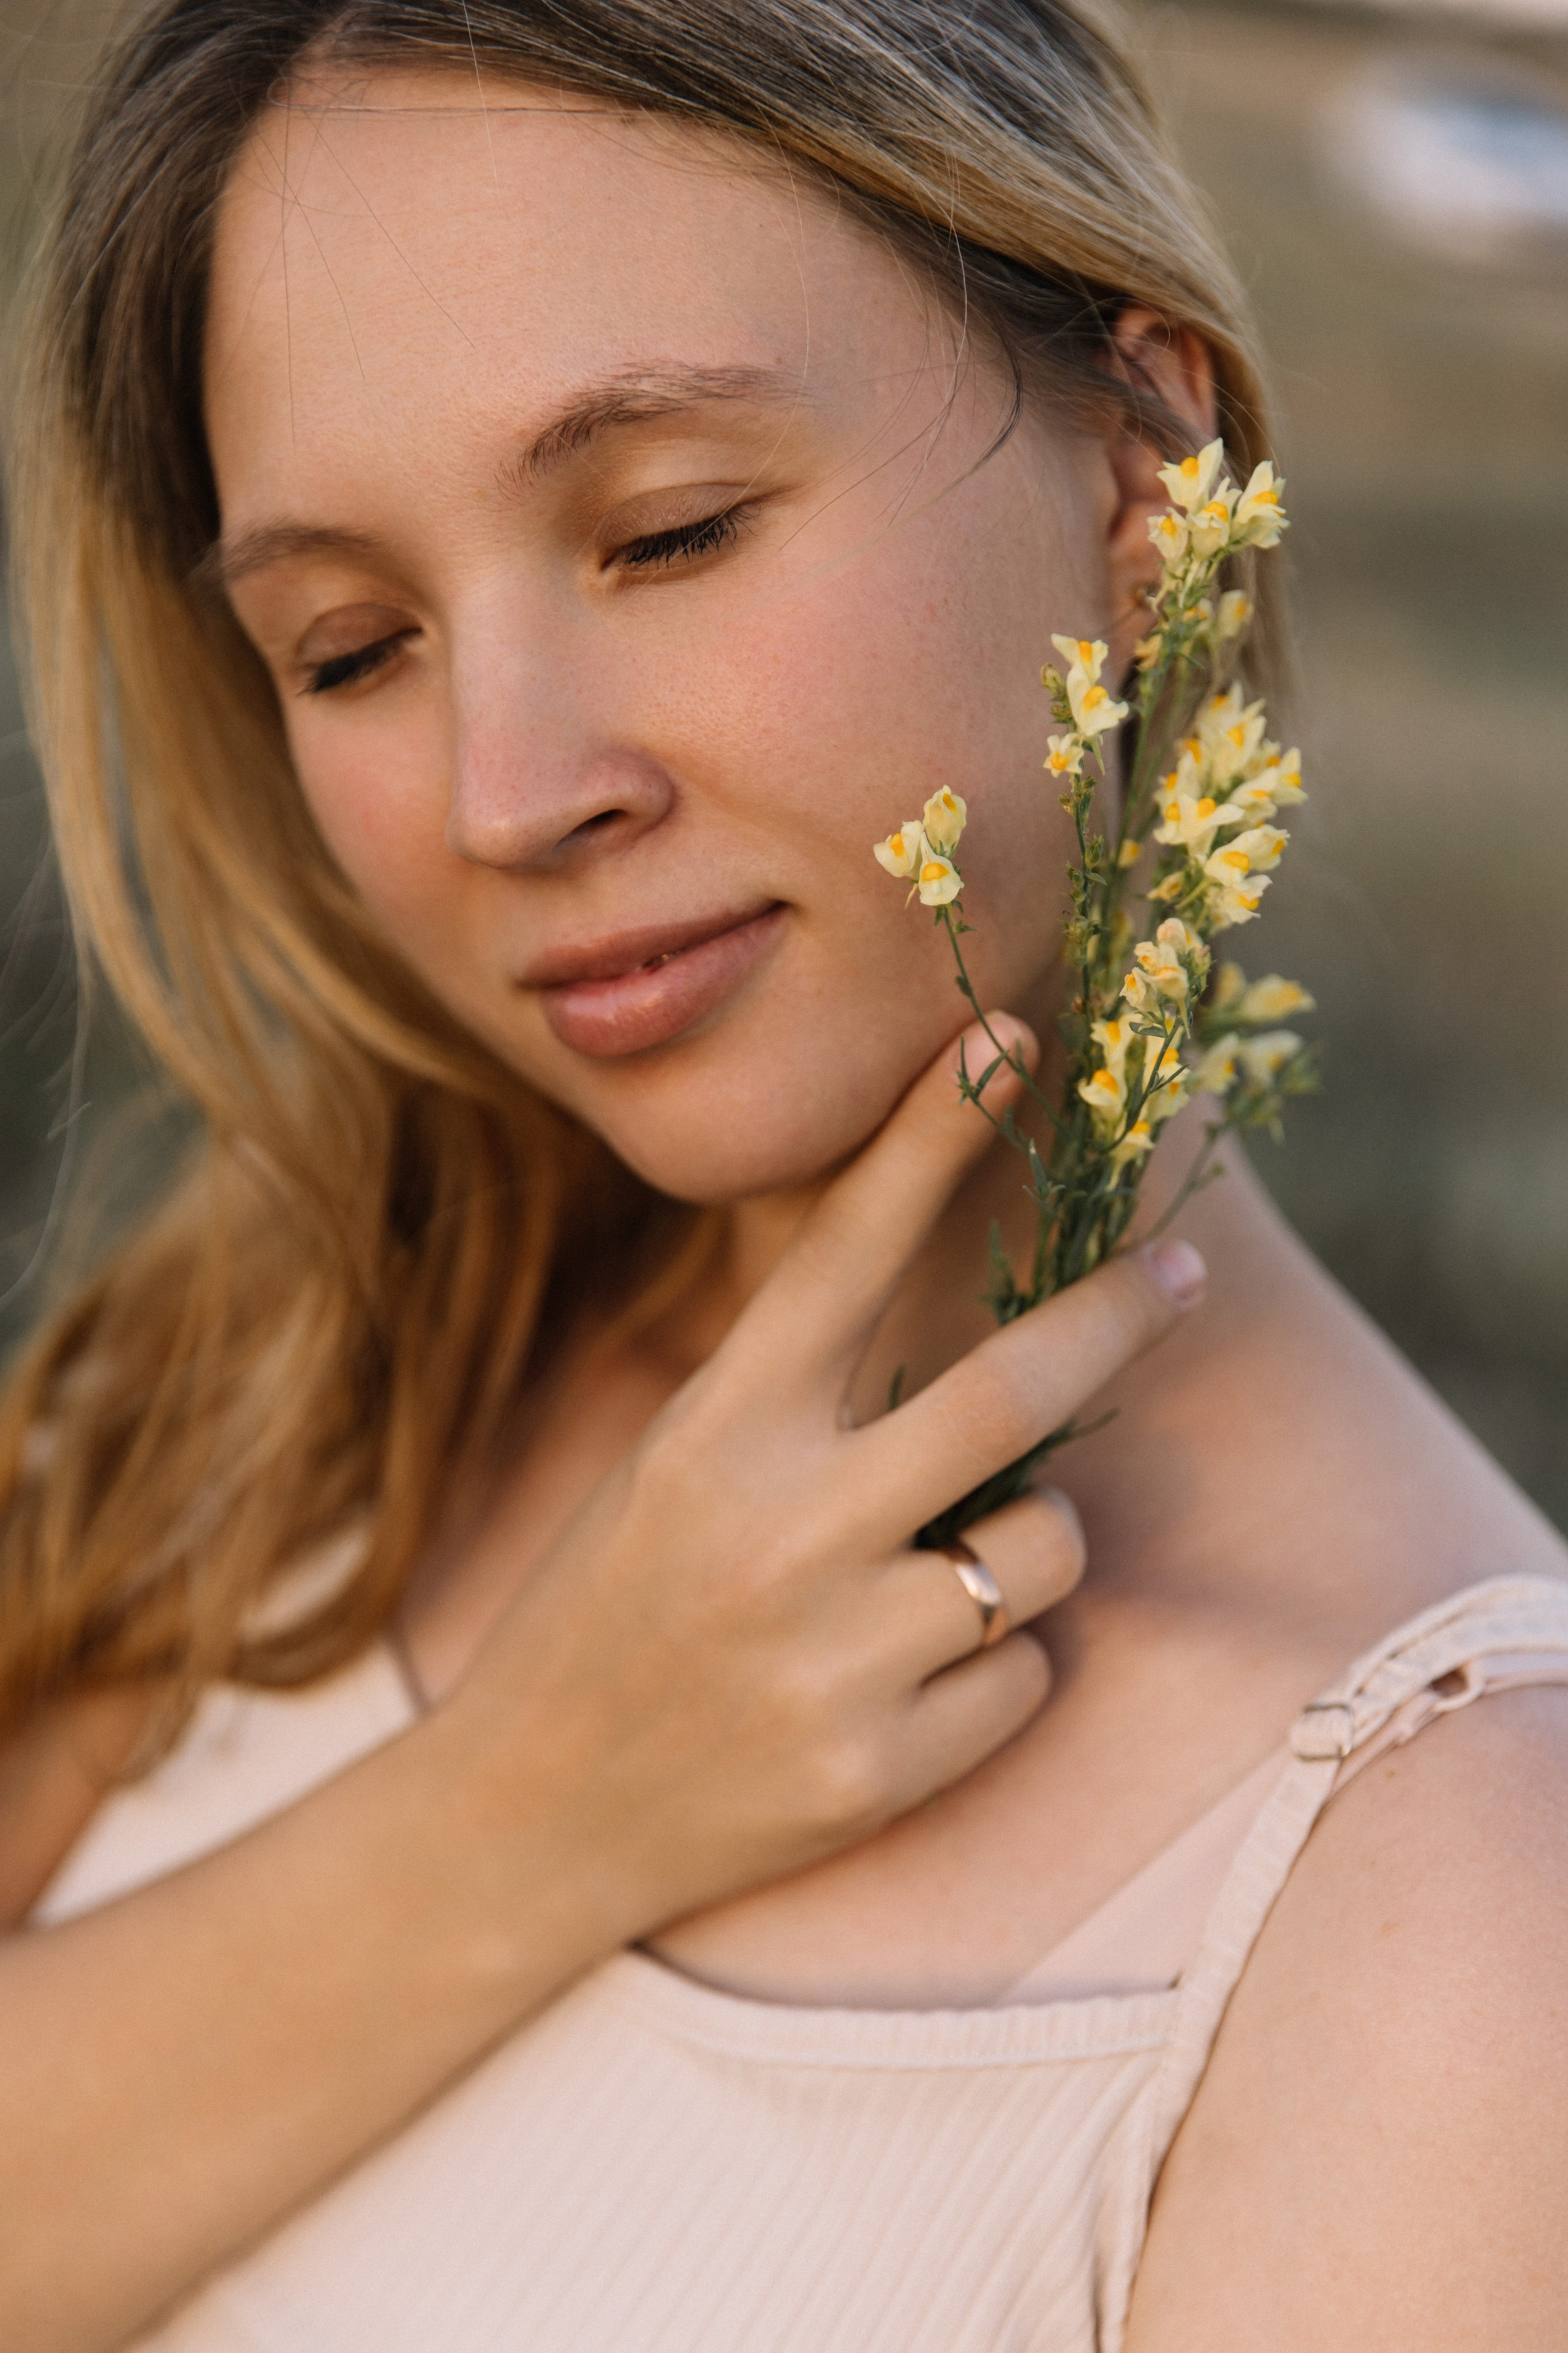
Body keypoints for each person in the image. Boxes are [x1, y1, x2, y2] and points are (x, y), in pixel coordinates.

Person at [2, 2, 1566, 2346]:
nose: (507, 793)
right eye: (353, 647)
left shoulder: (1461, 1904)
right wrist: (540, 1800)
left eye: (670, 530)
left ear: (1152, 474)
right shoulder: (266, 1378)